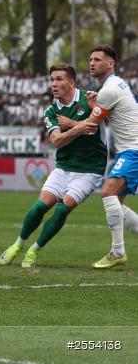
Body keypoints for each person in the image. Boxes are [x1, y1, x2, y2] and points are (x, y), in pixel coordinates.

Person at [0, 64, 107, 268]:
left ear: (71, 82)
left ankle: (33, 250)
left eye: (59, 79)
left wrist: (71, 124)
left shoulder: (90, 98)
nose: (54, 84)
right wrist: (79, 127)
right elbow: (57, 141)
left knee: (62, 209)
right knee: (40, 206)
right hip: (64, 166)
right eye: (52, 80)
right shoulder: (51, 111)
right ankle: (18, 244)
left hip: (90, 169)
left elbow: (93, 127)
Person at [76, 46, 138, 269]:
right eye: (90, 59)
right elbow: (105, 116)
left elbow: (90, 125)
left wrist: (66, 124)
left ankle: (118, 252)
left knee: (108, 192)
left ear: (111, 63)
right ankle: (117, 251)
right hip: (129, 150)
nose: (92, 63)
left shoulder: (109, 90)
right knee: (116, 204)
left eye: (97, 59)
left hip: (133, 150)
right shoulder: (115, 85)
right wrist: (97, 106)